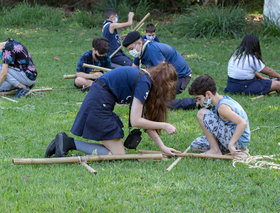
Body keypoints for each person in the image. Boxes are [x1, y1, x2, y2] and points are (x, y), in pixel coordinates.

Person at [45, 62, 180, 157]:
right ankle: (67, 142)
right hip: (99, 103)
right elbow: (135, 121)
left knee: (117, 153)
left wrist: (162, 147)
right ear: (162, 81)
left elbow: (143, 120)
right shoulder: (144, 82)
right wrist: (164, 125)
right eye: (168, 86)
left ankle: (66, 142)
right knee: (118, 155)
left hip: (101, 101)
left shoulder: (145, 81)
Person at [123, 31, 196, 110]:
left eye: (131, 49)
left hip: (180, 78)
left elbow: (163, 72)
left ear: (140, 43)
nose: (131, 52)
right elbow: (133, 70)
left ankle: (196, 102)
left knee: (158, 103)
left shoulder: (152, 50)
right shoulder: (140, 51)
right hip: (168, 77)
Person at [189, 75, 250, 159]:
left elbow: (242, 123)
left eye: (199, 99)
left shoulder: (222, 107)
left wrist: (231, 144)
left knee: (201, 113)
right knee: (195, 144)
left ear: (208, 94)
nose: (198, 103)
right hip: (231, 138)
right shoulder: (219, 101)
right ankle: (223, 150)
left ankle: (216, 150)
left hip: (237, 142)